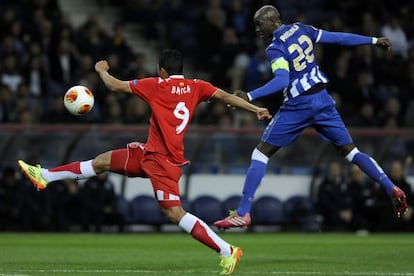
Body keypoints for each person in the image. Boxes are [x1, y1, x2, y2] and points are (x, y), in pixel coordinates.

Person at [18, 48, 272, 274]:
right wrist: (255, 109)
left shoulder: (156, 85)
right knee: (102, 162)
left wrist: (101, 71)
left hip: (163, 162)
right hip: (148, 154)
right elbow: (226, 96)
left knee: (174, 213)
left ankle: (227, 251)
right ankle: (45, 176)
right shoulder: (197, 86)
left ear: (162, 70)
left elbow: (115, 86)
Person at [213, 5, 408, 230]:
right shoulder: (302, 28)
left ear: (272, 21)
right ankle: (390, 187)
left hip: (299, 104)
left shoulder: (274, 48)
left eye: (259, 24)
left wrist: (249, 94)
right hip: (322, 100)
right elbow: (337, 38)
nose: (257, 30)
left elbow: (282, 81)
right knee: (351, 151)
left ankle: (243, 213)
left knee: (260, 153)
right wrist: (373, 40)